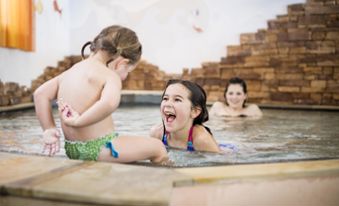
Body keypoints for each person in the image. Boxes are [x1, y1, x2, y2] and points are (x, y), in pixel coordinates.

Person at [34, 25, 168, 164]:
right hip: (99, 148)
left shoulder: (70, 72)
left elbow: (40, 94)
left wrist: (49, 129)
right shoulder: (110, 76)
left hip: (72, 149)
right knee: (158, 148)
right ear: (122, 63)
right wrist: (78, 121)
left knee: (131, 149)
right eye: (127, 72)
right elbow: (109, 103)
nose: (124, 77)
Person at [149, 79, 221, 153]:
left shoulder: (201, 139)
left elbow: (220, 160)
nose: (167, 104)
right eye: (165, 98)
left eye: (177, 99)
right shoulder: (157, 134)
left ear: (194, 111)